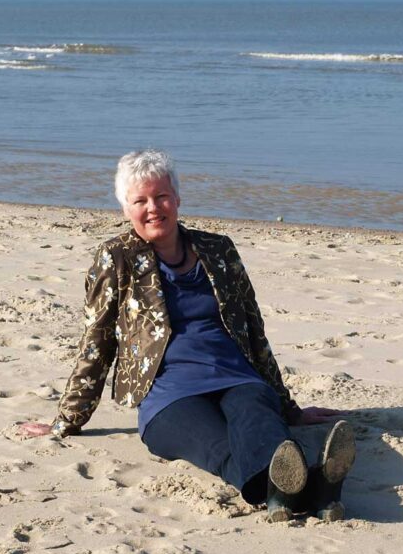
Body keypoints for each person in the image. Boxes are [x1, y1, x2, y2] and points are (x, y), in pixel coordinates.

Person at [19, 150, 355, 520]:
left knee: (261, 426)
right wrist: (66, 421)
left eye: (161, 196)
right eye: (140, 200)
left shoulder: (219, 250)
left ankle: (286, 494)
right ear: (125, 208)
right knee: (220, 447)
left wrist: (289, 408)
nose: (153, 208)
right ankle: (316, 489)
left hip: (237, 378)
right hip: (168, 396)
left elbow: (254, 331)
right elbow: (96, 342)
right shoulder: (115, 258)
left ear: (177, 199)